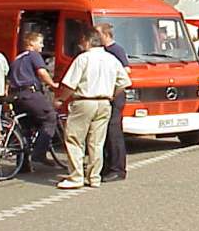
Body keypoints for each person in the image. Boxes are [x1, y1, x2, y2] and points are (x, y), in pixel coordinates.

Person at [55, 29, 131, 189]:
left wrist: (61, 99)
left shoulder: (83, 59)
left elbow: (70, 84)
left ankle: (76, 176)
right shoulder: (112, 59)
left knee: (74, 139)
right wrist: (112, 94)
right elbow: (124, 82)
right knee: (96, 142)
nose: (80, 45)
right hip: (104, 103)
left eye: (82, 41)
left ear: (87, 41)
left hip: (84, 101)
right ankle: (94, 177)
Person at [8, 32, 59, 167]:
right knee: (50, 117)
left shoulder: (17, 59)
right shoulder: (33, 55)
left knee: (25, 129)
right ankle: (39, 153)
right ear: (31, 43)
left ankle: (23, 165)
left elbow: (8, 79)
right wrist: (52, 84)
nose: (42, 46)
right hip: (30, 94)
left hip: (17, 96)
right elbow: (42, 72)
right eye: (40, 42)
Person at [96, 23, 131, 182]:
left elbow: (126, 71)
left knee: (113, 131)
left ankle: (118, 169)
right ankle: (107, 165)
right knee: (104, 132)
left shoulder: (116, 50)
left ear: (105, 34)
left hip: (115, 95)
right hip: (106, 95)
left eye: (97, 33)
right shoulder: (102, 51)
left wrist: (112, 89)